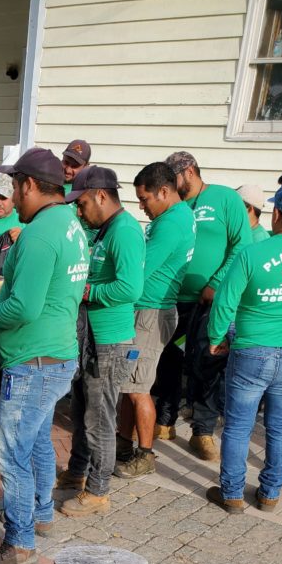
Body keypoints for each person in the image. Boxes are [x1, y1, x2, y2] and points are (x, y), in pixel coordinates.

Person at [0, 148, 89, 564]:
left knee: (10, 453)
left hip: (34, 360)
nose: (12, 195)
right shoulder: (70, 226)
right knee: (35, 438)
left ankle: (19, 542)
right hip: (55, 354)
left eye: (16, 186)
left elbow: (23, 308)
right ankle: (41, 513)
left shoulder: (39, 235)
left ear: (31, 185)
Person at [204, 180, 282, 513]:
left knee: (238, 425)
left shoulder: (253, 252)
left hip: (251, 350)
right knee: (280, 426)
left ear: (276, 213)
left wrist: (216, 338)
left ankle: (232, 494)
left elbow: (224, 301)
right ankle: (270, 494)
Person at [57, 166, 144, 517]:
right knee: (82, 410)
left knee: (99, 417)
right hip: (91, 338)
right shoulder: (105, 231)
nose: (79, 210)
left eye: (82, 203)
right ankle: (78, 473)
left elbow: (129, 288)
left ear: (102, 196)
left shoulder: (125, 232)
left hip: (109, 342)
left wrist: (87, 290)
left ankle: (98, 491)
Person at [154, 151, 250, 461]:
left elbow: (242, 245)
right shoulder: (175, 206)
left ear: (190, 172)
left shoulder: (224, 198)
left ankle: (203, 431)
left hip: (210, 300)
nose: (170, 184)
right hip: (171, 298)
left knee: (208, 362)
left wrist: (217, 283)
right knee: (167, 358)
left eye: (175, 178)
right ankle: (164, 420)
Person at [114, 162, 196, 479]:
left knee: (138, 388)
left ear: (163, 191)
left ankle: (145, 455)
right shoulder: (179, 215)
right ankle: (122, 444)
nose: (142, 206)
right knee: (128, 383)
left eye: (145, 199)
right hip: (152, 310)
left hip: (150, 312)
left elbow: (141, 270)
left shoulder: (171, 224)